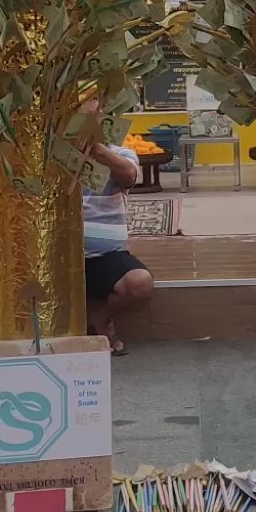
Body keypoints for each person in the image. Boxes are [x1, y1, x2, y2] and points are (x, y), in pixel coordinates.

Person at [82, 116, 154, 355]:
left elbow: (129, 176)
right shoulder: (49, 157)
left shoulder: (121, 153)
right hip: (57, 256)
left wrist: (96, 150)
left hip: (107, 256)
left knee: (140, 284)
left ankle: (101, 320)